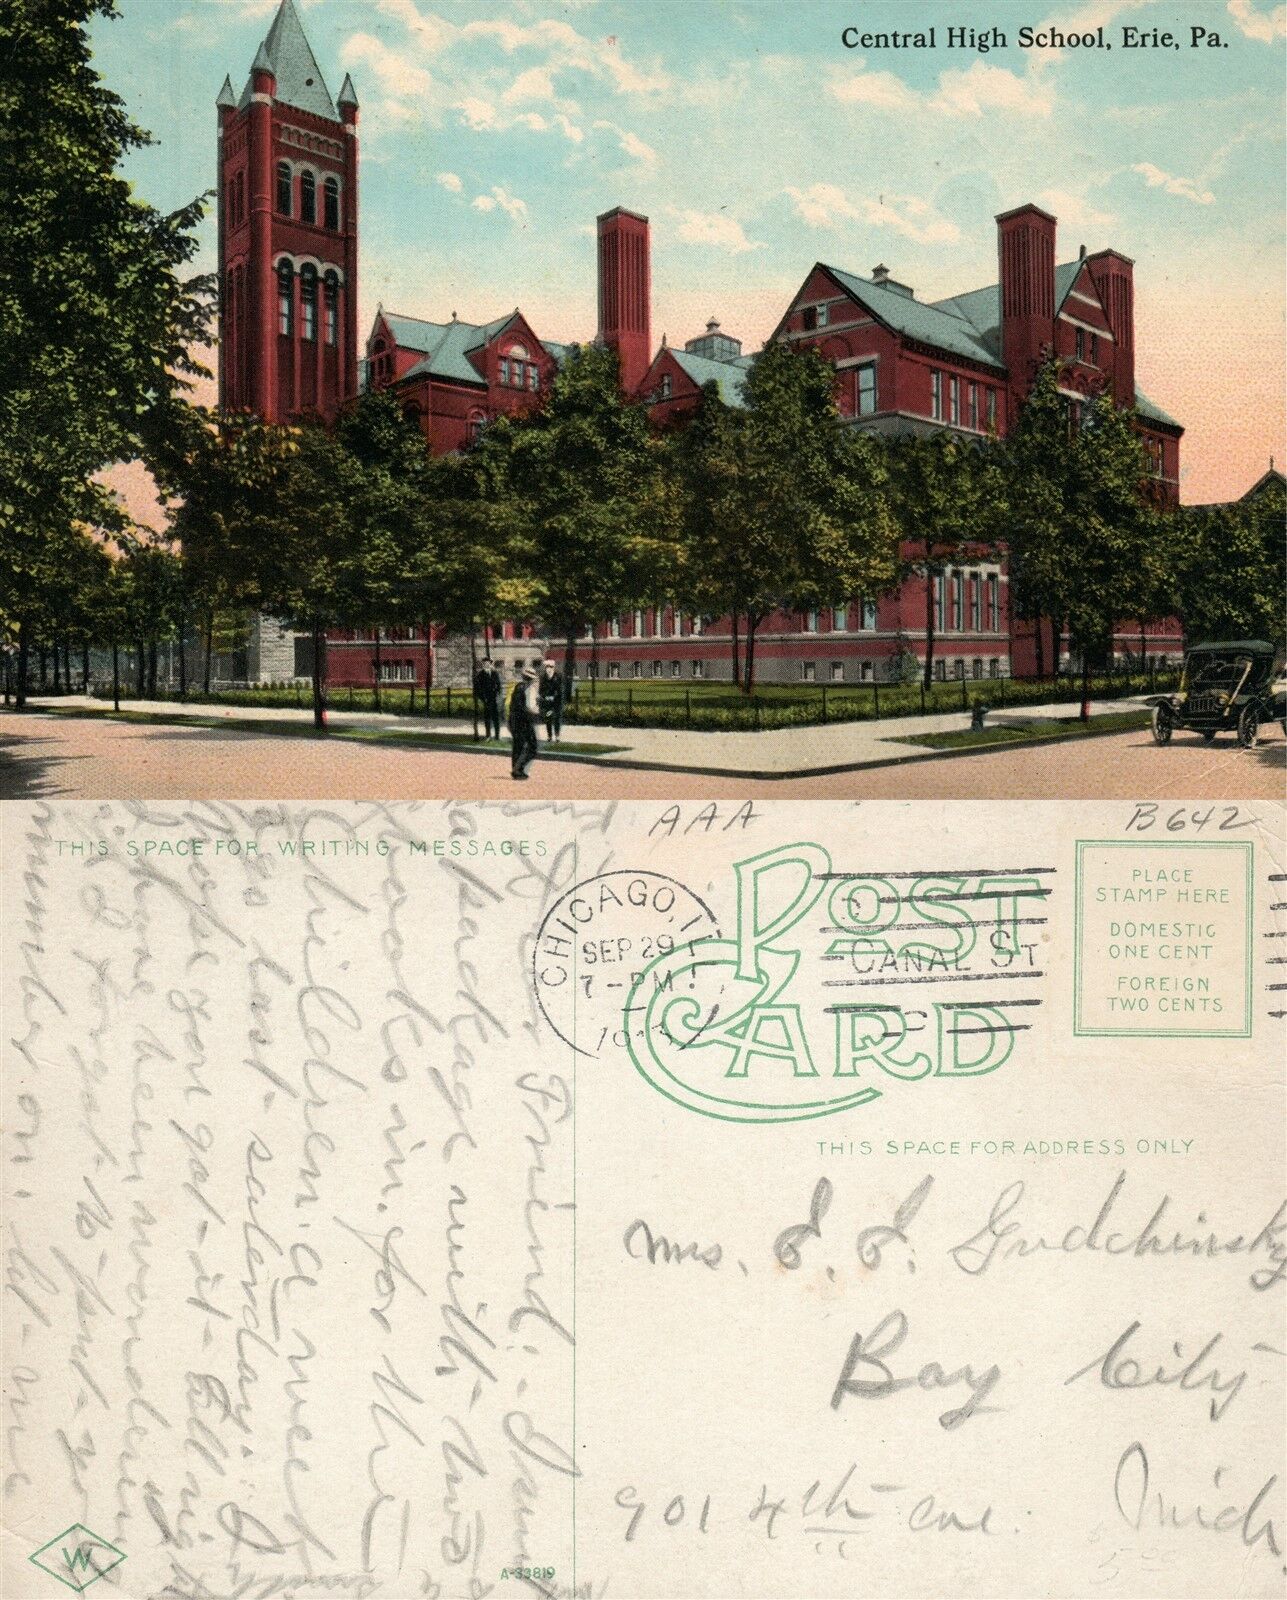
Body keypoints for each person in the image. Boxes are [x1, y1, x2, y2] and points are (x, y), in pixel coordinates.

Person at [508, 666, 539, 780]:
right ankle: (519, 769)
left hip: (513, 719)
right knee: (533, 746)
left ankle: (515, 770)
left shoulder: (518, 687)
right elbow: (531, 707)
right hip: (525, 720)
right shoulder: (530, 689)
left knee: (517, 746)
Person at [474, 658, 503, 740]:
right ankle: (488, 735)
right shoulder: (480, 675)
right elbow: (477, 689)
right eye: (485, 664)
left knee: (496, 718)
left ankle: (497, 736)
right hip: (486, 700)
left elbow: (499, 685)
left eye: (488, 664)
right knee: (487, 718)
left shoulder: (495, 673)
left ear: (490, 664)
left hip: (494, 699)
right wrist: (483, 699)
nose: (487, 665)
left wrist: (498, 696)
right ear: (483, 665)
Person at [537, 657, 565, 742]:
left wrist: (554, 696)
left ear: (553, 667)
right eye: (546, 667)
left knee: (557, 718)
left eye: (549, 667)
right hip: (547, 702)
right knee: (548, 718)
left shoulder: (559, 676)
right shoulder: (543, 677)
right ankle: (549, 735)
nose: (547, 669)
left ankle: (557, 736)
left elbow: (561, 689)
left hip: (557, 702)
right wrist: (545, 697)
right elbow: (541, 689)